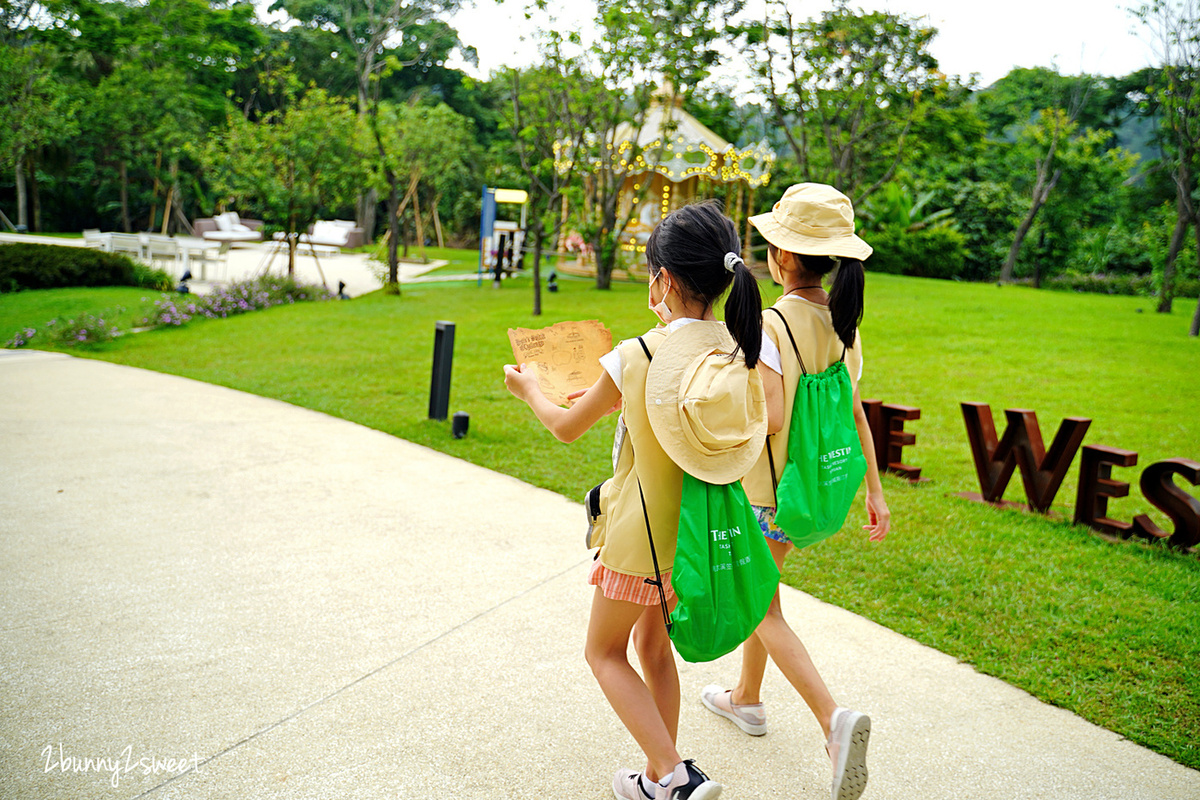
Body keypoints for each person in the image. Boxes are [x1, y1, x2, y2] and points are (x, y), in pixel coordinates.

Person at [504, 201, 764, 800]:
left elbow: (567, 427)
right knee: (652, 647)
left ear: (664, 280)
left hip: (636, 533)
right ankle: (657, 774)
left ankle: (673, 774)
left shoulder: (639, 354)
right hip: (687, 536)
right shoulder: (733, 347)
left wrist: (526, 389)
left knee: (603, 652)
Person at [698, 183, 892, 800]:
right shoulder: (843, 322)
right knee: (766, 592)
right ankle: (747, 699)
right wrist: (875, 492)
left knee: (762, 607)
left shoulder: (773, 324)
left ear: (781, 256)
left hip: (764, 490)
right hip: (810, 486)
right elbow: (852, 411)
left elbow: (774, 417)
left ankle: (833, 723)